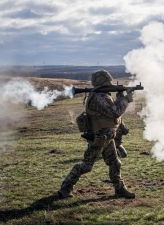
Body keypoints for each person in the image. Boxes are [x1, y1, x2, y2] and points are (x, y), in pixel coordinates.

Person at [58, 70, 135, 199]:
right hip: (100, 137)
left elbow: (112, 113)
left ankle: (120, 189)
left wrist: (120, 97)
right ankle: (65, 188)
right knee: (86, 166)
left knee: (115, 163)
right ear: (102, 82)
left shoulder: (102, 96)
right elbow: (115, 112)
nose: (110, 84)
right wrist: (126, 99)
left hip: (107, 137)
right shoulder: (98, 98)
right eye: (108, 82)